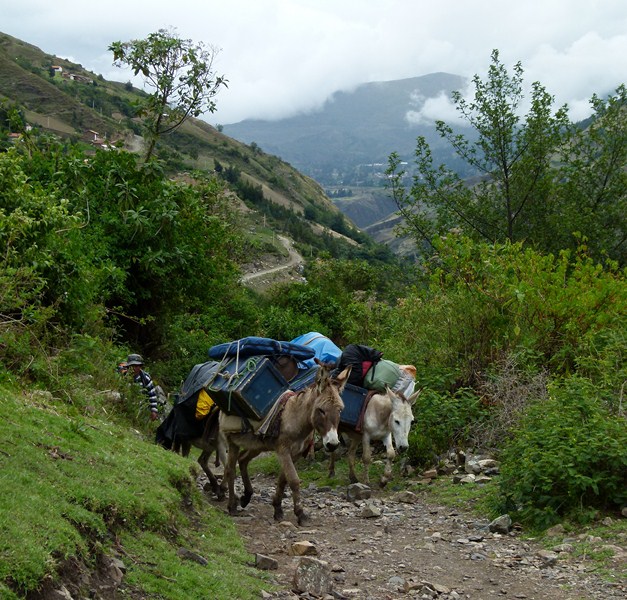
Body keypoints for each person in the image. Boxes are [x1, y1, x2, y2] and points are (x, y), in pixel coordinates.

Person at [126, 353, 159, 421]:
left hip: (139, 409)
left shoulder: (145, 378)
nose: (134, 368)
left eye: (137, 366)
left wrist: (154, 410)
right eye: (132, 366)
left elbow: (152, 395)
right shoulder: (124, 376)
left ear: (140, 366)